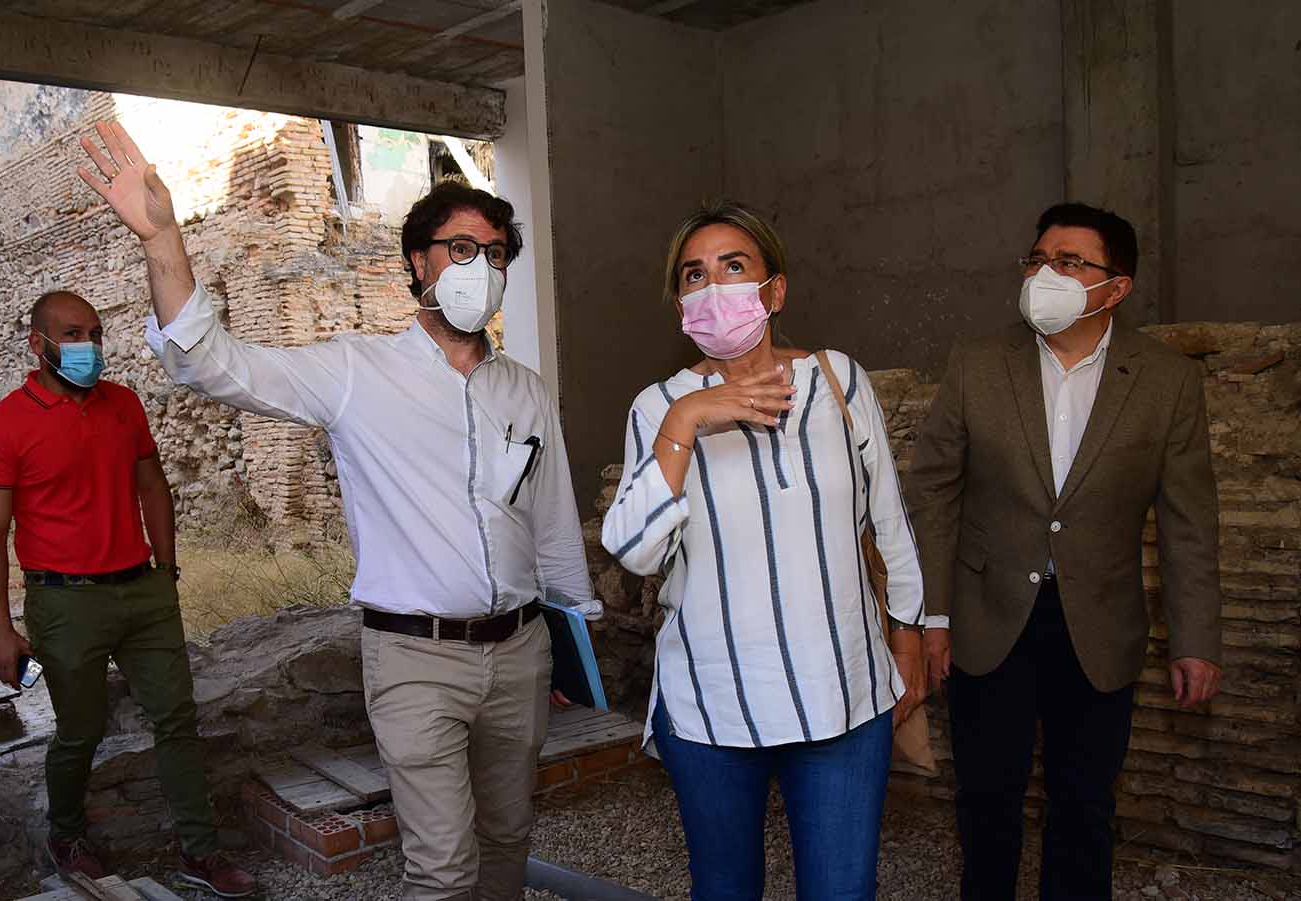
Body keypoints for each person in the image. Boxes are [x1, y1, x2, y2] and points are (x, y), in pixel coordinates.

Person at [77, 121, 592, 901]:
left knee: (507, 839)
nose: (477, 267)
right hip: (416, 659)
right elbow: (212, 363)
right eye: (459, 248)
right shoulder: (358, 371)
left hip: (521, 653)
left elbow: (550, 521)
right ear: (416, 262)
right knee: (442, 868)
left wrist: (569, 636)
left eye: (492, 254)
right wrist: (163, 241)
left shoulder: (523, 389)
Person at [601, 200, 926, 901]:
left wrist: (909, 634)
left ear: (774, 290)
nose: (712, 286)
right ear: (680, 301)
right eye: (693, 274)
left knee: (841, 892)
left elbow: (888, 520)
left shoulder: (838, 379)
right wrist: (688, 421)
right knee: (724, 891)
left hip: (842, 693)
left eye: (733, 266)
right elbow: (634, 550)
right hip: (712, 704)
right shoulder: (658, 406)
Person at [907, 203, 1224, 900]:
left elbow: (1188, 519)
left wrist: (1194, 639)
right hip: (990, 618)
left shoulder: (1167, 380)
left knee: (1084, 805)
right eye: (1037, 258)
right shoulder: (977, 364)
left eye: (1069, 261)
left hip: (1099, 621)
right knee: (987, 797)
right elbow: (932, 492)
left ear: (1115, 287)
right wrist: (932, 615)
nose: (1044, 273)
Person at [0, 291, 254, 896]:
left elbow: (152, 486)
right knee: (79, 728)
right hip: (66, 603)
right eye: (72, 335)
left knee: (177, 718)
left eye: (95, 334)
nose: (88, 347)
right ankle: (67, 836)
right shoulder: (2, 425)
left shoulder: (122, 404)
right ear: (37, 344)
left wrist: (166, 572)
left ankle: (198, 852)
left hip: (143, 592)